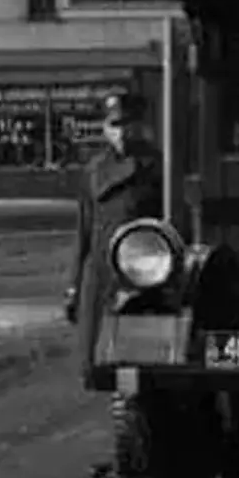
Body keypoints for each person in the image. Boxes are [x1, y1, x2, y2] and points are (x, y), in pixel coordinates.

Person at [65, 90, 164, 384]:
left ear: (140, 125)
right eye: (114, 125)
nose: (121, 132)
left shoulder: (158, 166)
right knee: (94, 360)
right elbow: (83, 230)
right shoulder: (95, 170)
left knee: (137, 362)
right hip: (99, 269)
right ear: (105, 129)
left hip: (141, 266)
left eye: (127, 123)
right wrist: (73, 285)